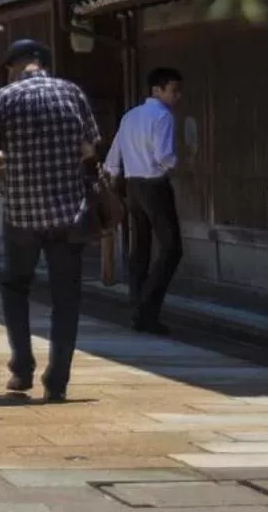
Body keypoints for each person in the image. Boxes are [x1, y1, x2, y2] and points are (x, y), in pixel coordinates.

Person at [0, 39, 99, 400]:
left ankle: (21, 369)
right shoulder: (71, 92)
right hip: (68, 212)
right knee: (67, 297)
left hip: (22, 213)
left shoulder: (2, 99)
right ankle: (57, 379)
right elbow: (90, 148)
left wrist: (7, 158)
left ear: (14, 66)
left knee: (16, 288)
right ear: (43, 63)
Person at [105, 68, 184, 335]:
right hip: (154, 183)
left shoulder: (130, 116)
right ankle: (146, 308)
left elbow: (114, 154)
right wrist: (178, 164)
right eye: (173, 90)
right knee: (172, 248)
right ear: (157, 90)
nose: (177, 96)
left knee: (140, 245)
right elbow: (164, 156)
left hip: (133, 183)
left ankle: (137, 303)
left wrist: (114, 175)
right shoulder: (162, 116)